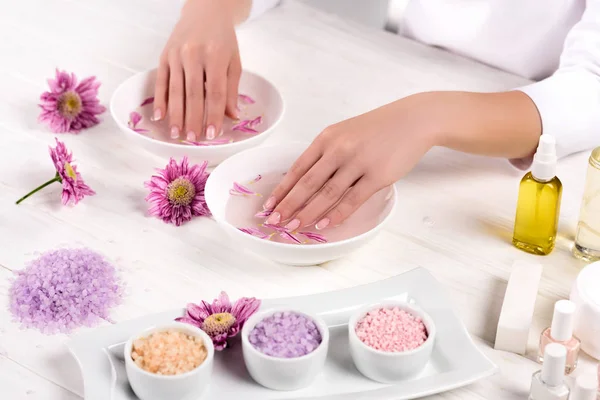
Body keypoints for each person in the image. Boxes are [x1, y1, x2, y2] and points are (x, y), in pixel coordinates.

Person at [154, 0, 599, 231]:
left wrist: (430, 116)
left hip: (535, 151)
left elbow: (592, 85)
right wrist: (209, 10)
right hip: (391, 73)